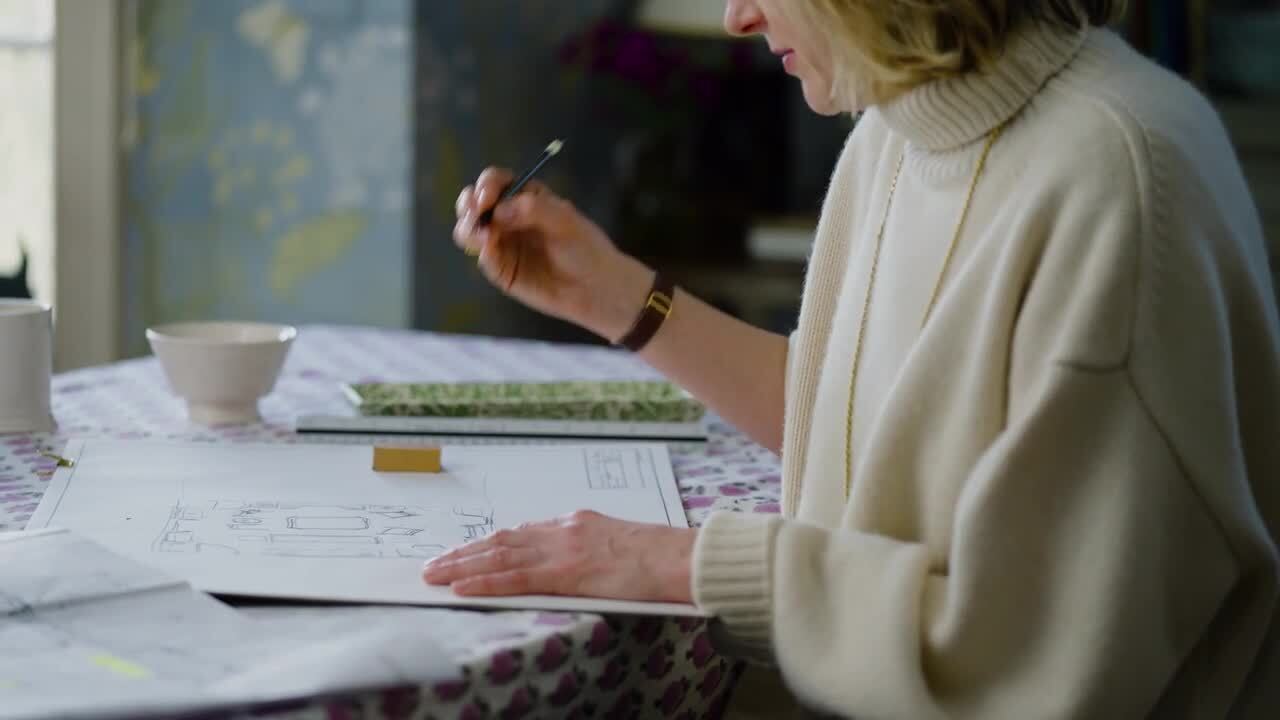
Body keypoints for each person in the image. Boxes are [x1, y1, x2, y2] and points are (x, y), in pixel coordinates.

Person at [423, 0, 1280, 716]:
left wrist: (679, 562)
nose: (738, 16)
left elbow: (1032, 658)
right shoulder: (898, 132)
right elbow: (860, 425)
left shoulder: (1111, 175)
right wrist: (609, 295)